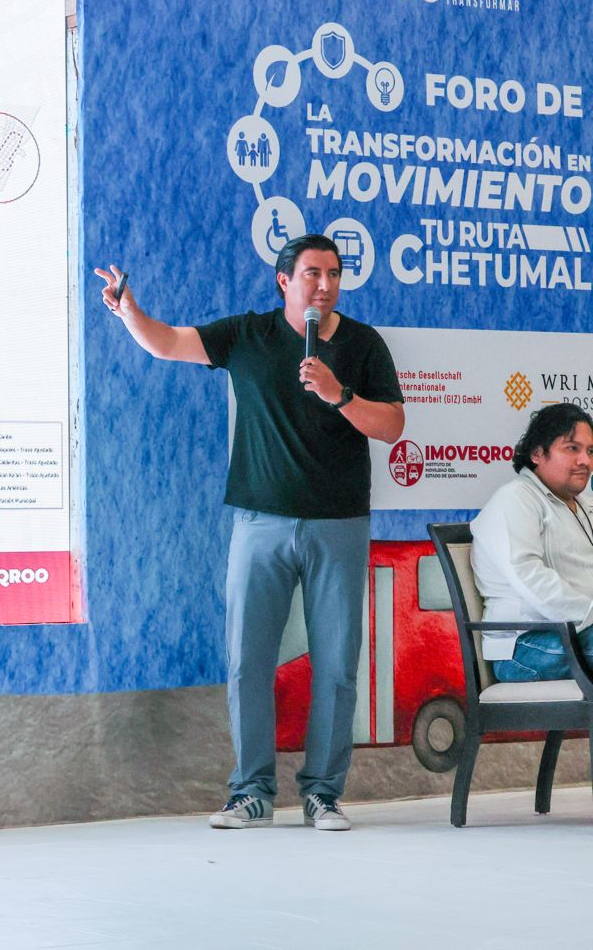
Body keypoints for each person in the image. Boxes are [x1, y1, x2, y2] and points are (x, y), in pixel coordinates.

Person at [95, 234, 404, 832]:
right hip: (259, 523)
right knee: (247, 662)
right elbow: (168, 343)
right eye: (312, 273)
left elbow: (391, 425)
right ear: (283, 280)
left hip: (339, 523)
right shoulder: (248, 335)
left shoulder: (363, 344)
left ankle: (323, 794)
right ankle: (252, 792)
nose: (325, 285)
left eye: (334, 274)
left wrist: (339, 394)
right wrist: (129, 311)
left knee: (337, 665)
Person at [470, 402, 593, 681]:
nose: (585, 461)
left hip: (578, 631)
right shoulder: (515, 499)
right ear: (537, 453)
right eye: (572, 448)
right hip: (524, 646)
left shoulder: (585, 505)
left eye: (590, 451)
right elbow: (530, 577)